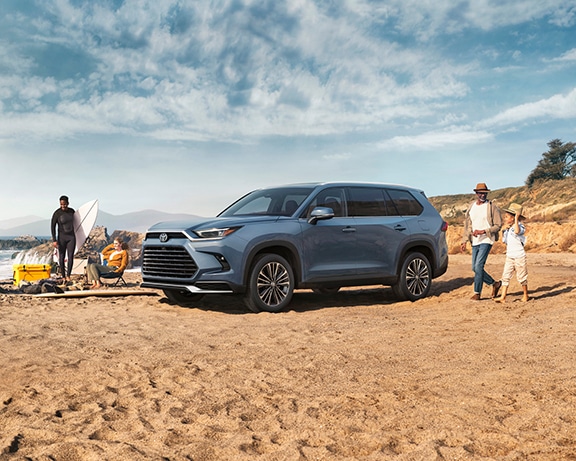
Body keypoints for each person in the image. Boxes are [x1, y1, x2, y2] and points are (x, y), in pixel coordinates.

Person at [460, 182, 502, 300]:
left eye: (485, 193)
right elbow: (468, 226)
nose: (483, 195)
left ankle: (477, 293)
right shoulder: (471, 207)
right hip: (475, 240)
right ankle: (495, 284)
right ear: (476, 193)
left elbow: (498, 225)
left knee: (478, 266)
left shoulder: (492, 207)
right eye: (480, 193)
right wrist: (464, 240)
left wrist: (484, 231)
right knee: (474, 268)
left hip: (487, 239)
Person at [495, 203, 529, 303]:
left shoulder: (519, 226)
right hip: (510, 256)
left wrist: (517, 219)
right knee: (505, 276)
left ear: (513, 218)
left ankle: (525, 295)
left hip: (519, 256)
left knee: (522, 276)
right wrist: (503, 231)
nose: (505, 218)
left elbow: (517, 231)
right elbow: (504, 241)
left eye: (507, 217)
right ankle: (503, 296)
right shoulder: (508, 229)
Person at [51, 195, 76, 282]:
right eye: (61, 204)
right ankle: (63, 276)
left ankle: (68, 275)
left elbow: (78, 223)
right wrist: (54, 240)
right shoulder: (57, 213)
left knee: (70, 256)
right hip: (62, 237)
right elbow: (52, 226)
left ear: (68, 203)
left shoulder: (72, 211)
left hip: (71, 237)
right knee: (61, 257)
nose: (63, 206)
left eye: (64, 204)